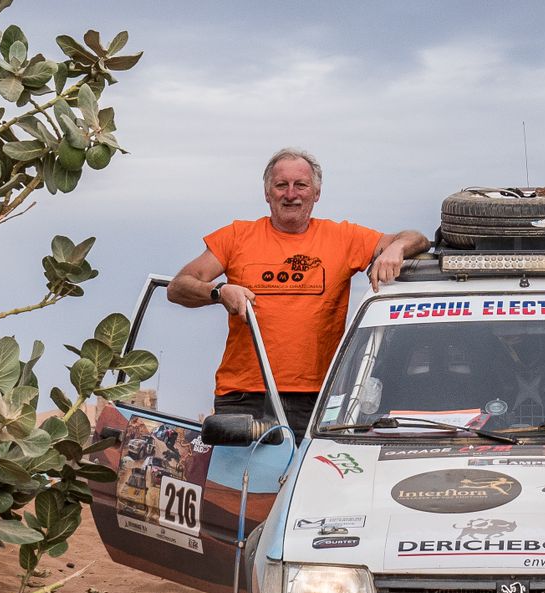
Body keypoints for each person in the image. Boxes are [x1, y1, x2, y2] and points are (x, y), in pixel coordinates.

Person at [166, 147, 429, 435]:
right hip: (244, 395)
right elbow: (179, 286)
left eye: (300, 185)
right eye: (281, 185)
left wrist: (396, 248)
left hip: (319, 396)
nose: (291, 194)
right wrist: (219, 291)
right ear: (267, 193)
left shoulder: (343, 238)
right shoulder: (236, 236)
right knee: (236, 468)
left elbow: (417, 238)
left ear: (316, 193)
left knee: (316, 467)